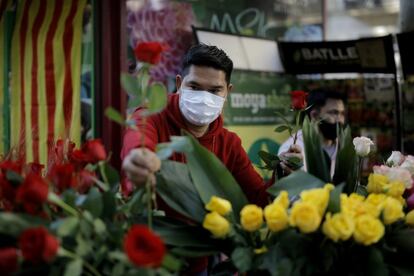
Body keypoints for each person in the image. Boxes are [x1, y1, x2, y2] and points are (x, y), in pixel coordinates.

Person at [121, 44, 301, 274]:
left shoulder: (229, 144)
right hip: (146, 260)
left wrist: (284, 176)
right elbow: (137, 139)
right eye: (194, 86)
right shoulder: (152, 116)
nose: (204, 98)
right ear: (179, 84)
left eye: (215, 90)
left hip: (198, 265)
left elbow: (257, 201)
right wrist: (139, 155)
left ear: (228, 91)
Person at [277, 88, 346, 176]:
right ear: (314, 115)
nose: (340, 120)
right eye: (334, 113)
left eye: (342, 114)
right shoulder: (293, 149)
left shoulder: (344, 146)